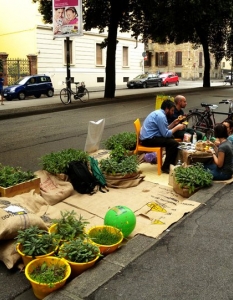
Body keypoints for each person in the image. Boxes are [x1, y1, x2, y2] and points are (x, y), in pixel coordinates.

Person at [140, 99, 185, 174]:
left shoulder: (159, 113)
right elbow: (166, 134)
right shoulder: (161, 116)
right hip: (148, 140)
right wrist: (177, 128)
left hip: (149, 137)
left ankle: (171, 163)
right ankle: (166, 167)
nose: (173, 113)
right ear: (167, 109)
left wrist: (174, 123)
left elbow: (164, 129)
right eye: (172, 110)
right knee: (174, 143)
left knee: (171, 139)